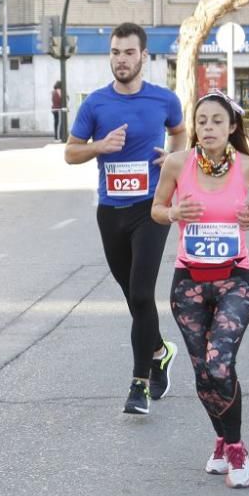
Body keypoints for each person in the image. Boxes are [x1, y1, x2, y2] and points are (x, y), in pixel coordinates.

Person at [151, 91, 249, 489]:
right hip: (188, 282)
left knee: (220, 362)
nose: (208, 128)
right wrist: (172, 213)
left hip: (235, 278)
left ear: (232, 127)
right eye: (201, 121)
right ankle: (221, 439)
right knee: (204, 372)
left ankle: (236, 448)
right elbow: (156, 210)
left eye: (217, 121)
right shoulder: (176, 164)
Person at [65, 22, 187, 415]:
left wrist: (173, 158)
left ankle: (140, 385)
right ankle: (159, 349)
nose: (121, 59)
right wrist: (100, 146)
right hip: (110, 211)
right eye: (116, 52)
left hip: (151, 209)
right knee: (131, 296)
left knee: (140, 293)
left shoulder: (164, 99)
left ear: (143, 57)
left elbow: (180, 133)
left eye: (129, 52)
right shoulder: (95, 104)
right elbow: (71, 152)